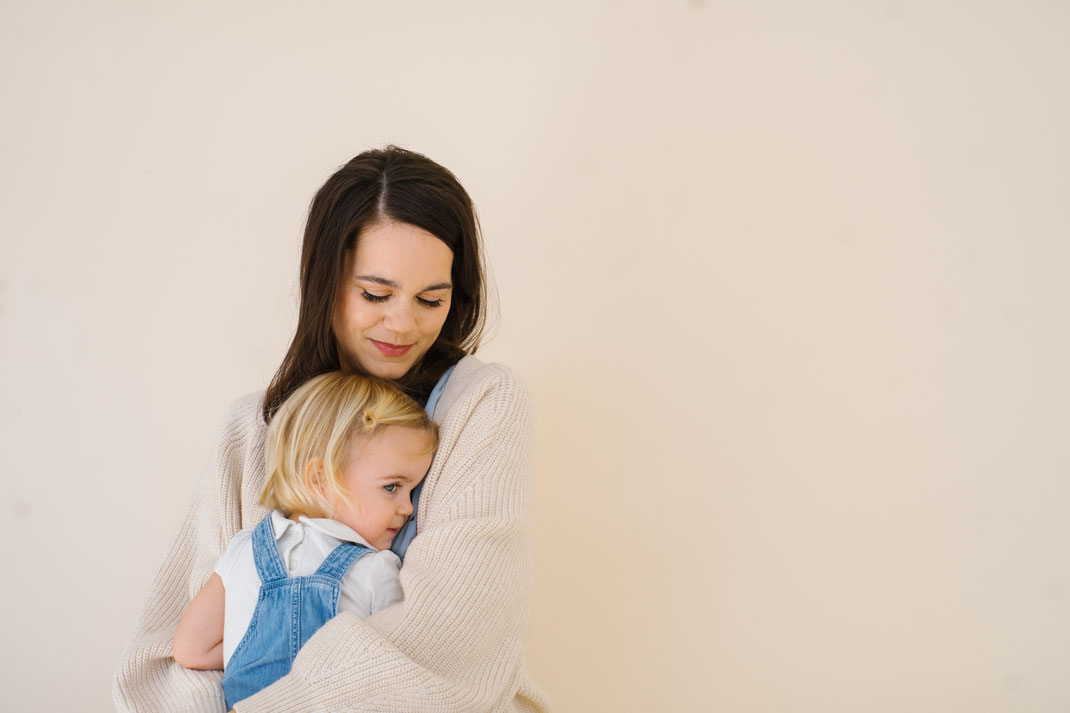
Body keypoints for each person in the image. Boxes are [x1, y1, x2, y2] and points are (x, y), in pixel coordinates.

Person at [113, 146, 551, 713]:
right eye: (375, 294)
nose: (403, 322)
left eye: (430, 299)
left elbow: (449, 642)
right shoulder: (251, 431)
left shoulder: (483, 405)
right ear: (326, 282)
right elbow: (163, 660)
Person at [172, 371, 439, 710]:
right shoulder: (374, 568)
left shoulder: (245, 549)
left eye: (412, 491)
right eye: (392, 487)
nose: (406, 508)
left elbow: (191, 649)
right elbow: (394, 671)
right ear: (319, 479)